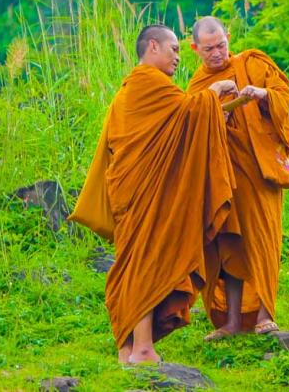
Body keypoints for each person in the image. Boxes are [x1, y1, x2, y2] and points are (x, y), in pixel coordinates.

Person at [68, 24, 239, 363]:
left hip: (131, 190)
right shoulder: (149, 84)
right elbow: (191, 113)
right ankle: (143, 348)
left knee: (133, 263)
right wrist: (216, 89)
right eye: (173, 49)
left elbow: (180, 123)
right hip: (140, 192)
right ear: (152, 47)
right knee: (144, 262)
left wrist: (218, 106)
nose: (178, 56)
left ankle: (128, 347)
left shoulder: (132, 89)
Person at [187, 16, 289, 340]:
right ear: (195, 48)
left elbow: (283, 95)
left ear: (229, 37)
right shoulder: (199, 86)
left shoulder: (251, 62)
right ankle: (232, 322)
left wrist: (262, 94)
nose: (217, 54)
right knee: (229, 244)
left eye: (221, 45)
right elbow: (191, 127)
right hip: (223, 176)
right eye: (208, 49)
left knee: (263, 239)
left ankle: (266, 313)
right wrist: (216, 110)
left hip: (257, 169)